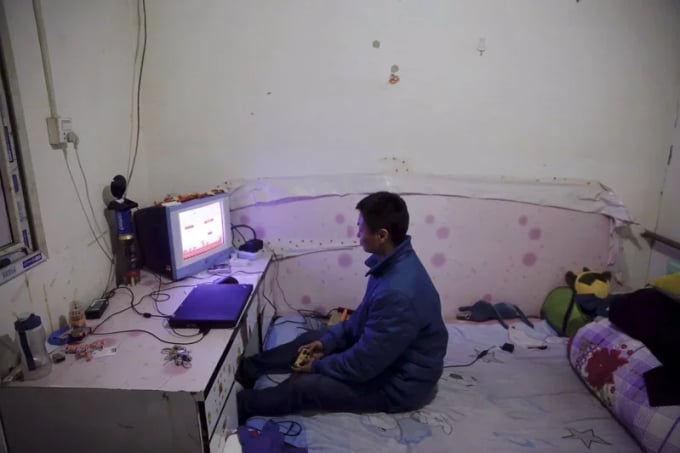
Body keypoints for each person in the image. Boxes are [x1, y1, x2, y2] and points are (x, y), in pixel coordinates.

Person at [236, 191, 449, 423]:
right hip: (384, 360)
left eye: (360, 228)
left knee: (304, 386)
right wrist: (328, 343)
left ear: (381, 235)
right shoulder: (390, 264)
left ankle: (240, 405)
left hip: (398, 385)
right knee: (312, 338)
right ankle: (247, 370)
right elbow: (362, 319)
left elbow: (364, 365)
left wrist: (319, 366)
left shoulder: (397, 292)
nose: (357, 233)